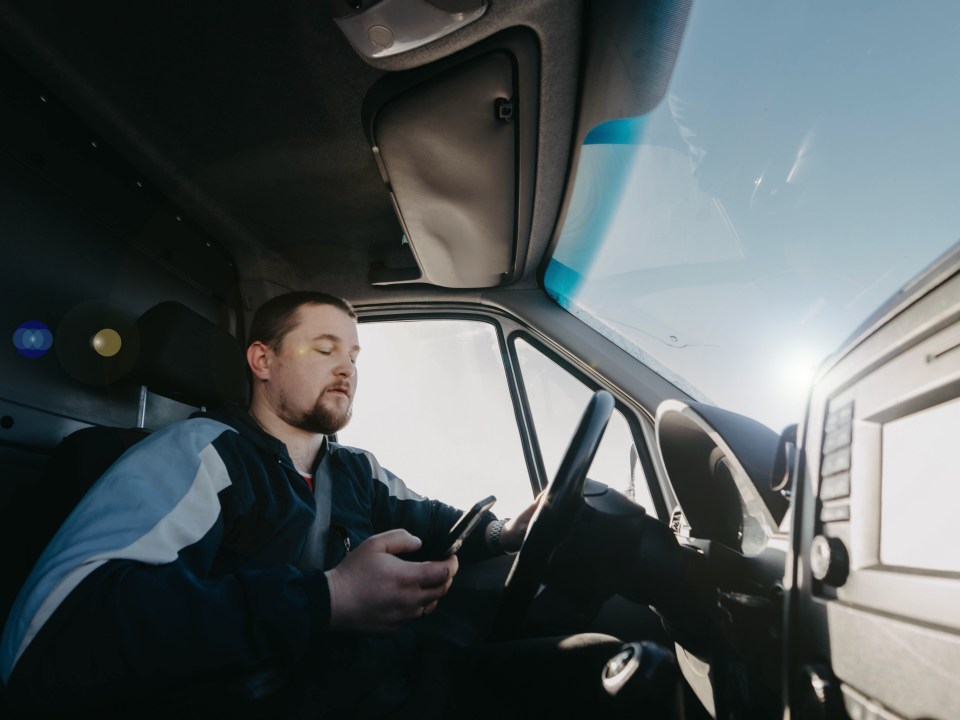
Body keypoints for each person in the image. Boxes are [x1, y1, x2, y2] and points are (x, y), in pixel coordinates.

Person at [0, 291, 548, 718]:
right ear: (263, 360)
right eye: (325, 350)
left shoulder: (356, 468)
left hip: (392, 687)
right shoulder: (200, 454)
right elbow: (62, 633)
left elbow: (436, 521)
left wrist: (502, 533)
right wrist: (328, 597)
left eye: (353, 355)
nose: (347, 369)